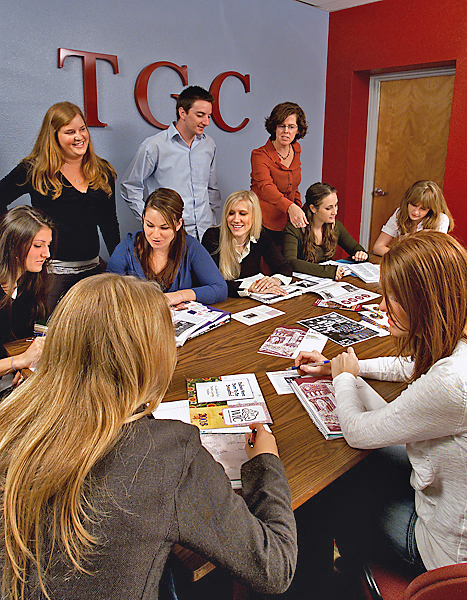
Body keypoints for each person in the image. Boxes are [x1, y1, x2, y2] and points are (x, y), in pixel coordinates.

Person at [0, 273, 297, 600]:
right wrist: (266, 463)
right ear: (150, 356)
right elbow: (275, 566)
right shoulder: (169, 452)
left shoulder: (11, 418)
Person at [295, 230, 467, 572]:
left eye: (392, 298)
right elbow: (410, 366)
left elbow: (357, 431)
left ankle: (331, 582)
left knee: (324, 497)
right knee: (365, 466)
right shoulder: (457, 342)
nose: (381, 306)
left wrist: (345, 378)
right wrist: (345, 366)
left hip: (442, 553)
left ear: (425, 300)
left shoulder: (452, 383)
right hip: (446, 500)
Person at [0, 101, 120, 312]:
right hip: (49, 276)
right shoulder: (34, 170)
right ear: (54, 136)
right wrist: (18, 236)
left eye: (82, 129)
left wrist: (118, 268)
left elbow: (110, 224)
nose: (79, 136)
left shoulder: (103, 171)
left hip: (91, 272)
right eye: (70, 131)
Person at [121, 85, 221, 240]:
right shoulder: (154, 146)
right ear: (182, 113)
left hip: (206, 232)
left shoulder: (209, 144)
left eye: (208, 116)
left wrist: (213, 220)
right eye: (200, 115)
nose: (206, 122)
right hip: (172, 236)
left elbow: (211, 188)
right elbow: (130, 185)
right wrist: (151, 221)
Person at [107, 188, 227, 306]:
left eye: (164, 228)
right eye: (149, 225)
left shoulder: (190, 246)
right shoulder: (126, 248)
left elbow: (219, 289)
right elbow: (108, 294)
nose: (155, 235)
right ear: (143, 219)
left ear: (178, 224)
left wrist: (179, 296)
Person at [202, 190, 293, 297]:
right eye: (231, 213)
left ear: (254, 216)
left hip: (252, 302)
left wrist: (275, 280)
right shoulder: (212, 237)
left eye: (242, 214)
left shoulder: (260, 235)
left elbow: (284, 266)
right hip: (222, 302)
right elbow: (210, 282)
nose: (236, 219)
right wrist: (250, 287)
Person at [0, 206, 53, 383]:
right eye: (38, 245)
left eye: (48, 245)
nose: (47, 254)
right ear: (14, 245)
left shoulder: (29, 284)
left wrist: (21, 368)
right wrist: (18, 362)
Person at [250, 102, 308, 246]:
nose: (286, 131)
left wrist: (298, 209)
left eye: (291, 127)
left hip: (288, 220)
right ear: (274, 128)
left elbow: (294, 186)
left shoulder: (296, 149)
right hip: (264, 221)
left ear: (298, 130)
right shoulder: (259, 155)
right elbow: (266, 187)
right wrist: (291, 207)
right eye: (282, 126)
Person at [283, 182, 368, 280]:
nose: (335, 212)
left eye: (336, 205)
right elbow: (290, 261)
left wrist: (360, 254)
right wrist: (326, 271)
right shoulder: (294, 228)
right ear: (313, 209)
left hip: (326, 282)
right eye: (328, 208)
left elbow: (355, 248)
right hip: (301, 282)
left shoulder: (335, 225)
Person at [373, 180, 454, 256]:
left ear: (431, 209)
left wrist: (402, 257)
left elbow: (434, 255)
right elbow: (378, 247)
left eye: (423, 209)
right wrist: (401, 257)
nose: (416, 212)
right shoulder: (400, 212)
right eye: (413, 205)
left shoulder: (440, 219)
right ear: (407, 201)